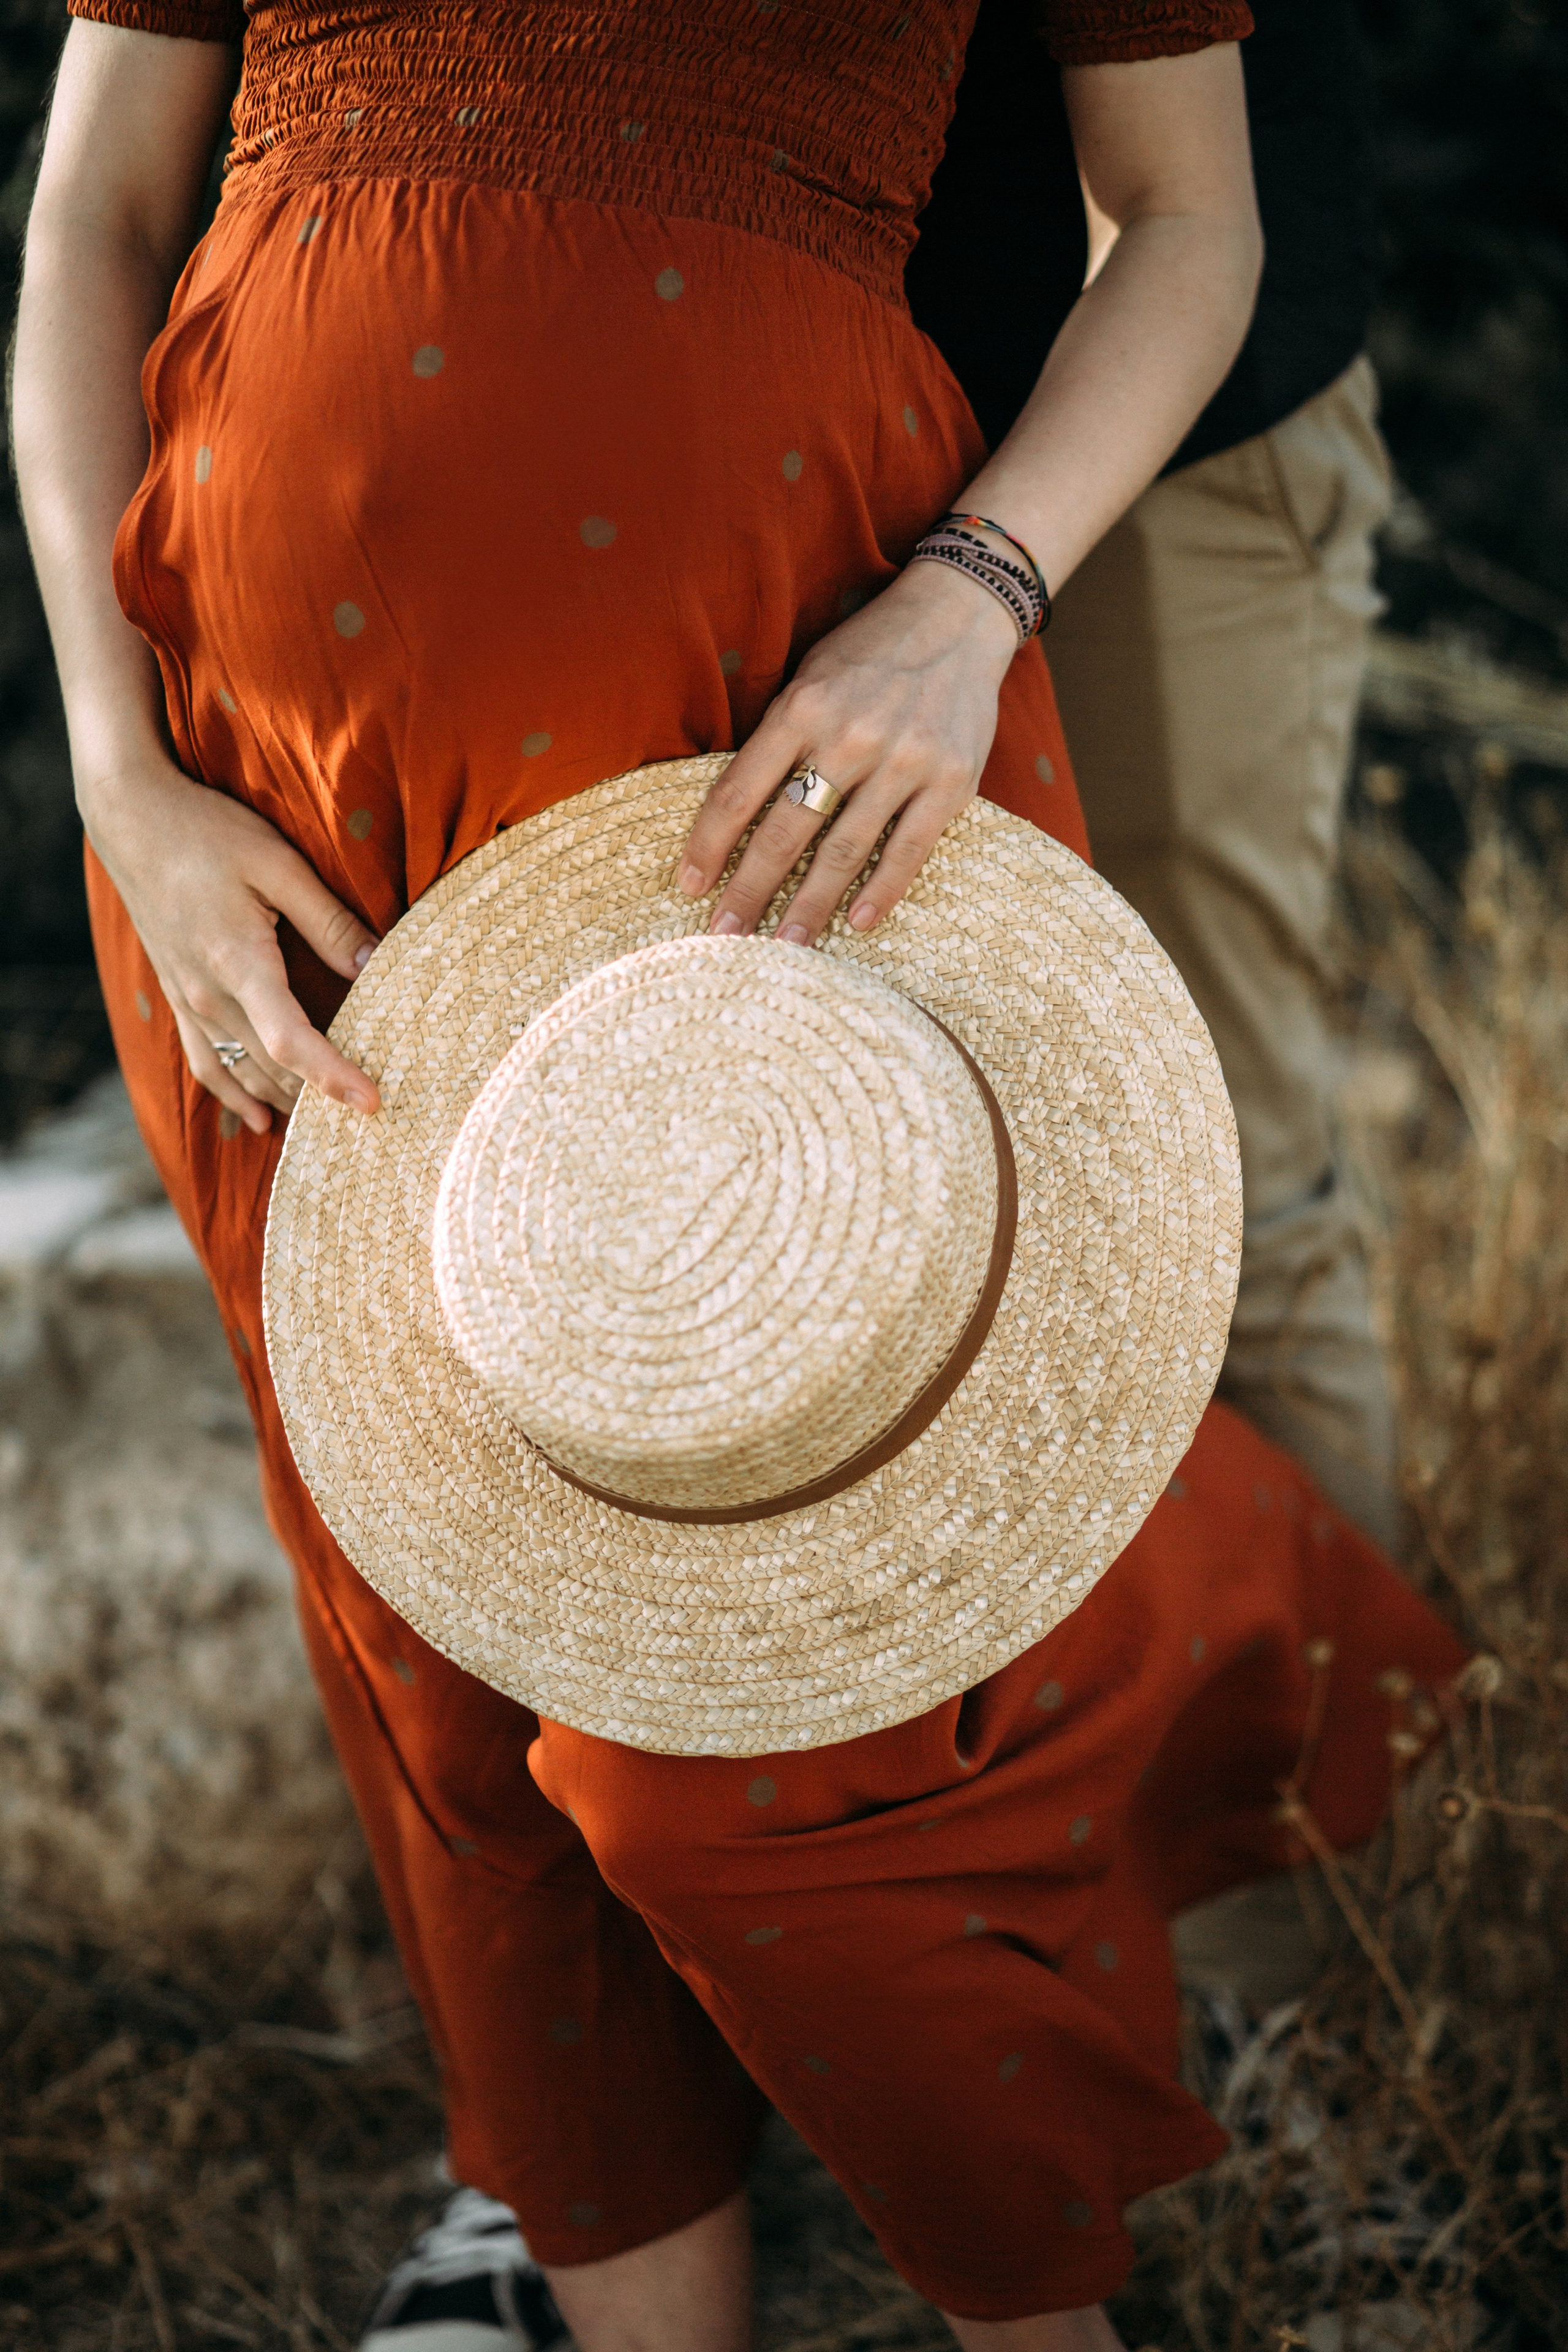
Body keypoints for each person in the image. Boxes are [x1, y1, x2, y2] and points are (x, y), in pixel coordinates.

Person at [12, 5, 1462, 2347]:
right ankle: (609, 2251)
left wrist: (975, 588)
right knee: (414, 1550)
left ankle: (1128, 2188)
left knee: (797, 1568)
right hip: (250, 755)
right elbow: (87, 210)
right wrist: (116, 769)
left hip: (747, 658)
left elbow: (1191, 217)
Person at [911, 0, 1398, 1547]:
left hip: (1172, 444)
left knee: (1217, 1179)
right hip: (822, 436)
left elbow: (1187, 206)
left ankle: (1362, 1767)